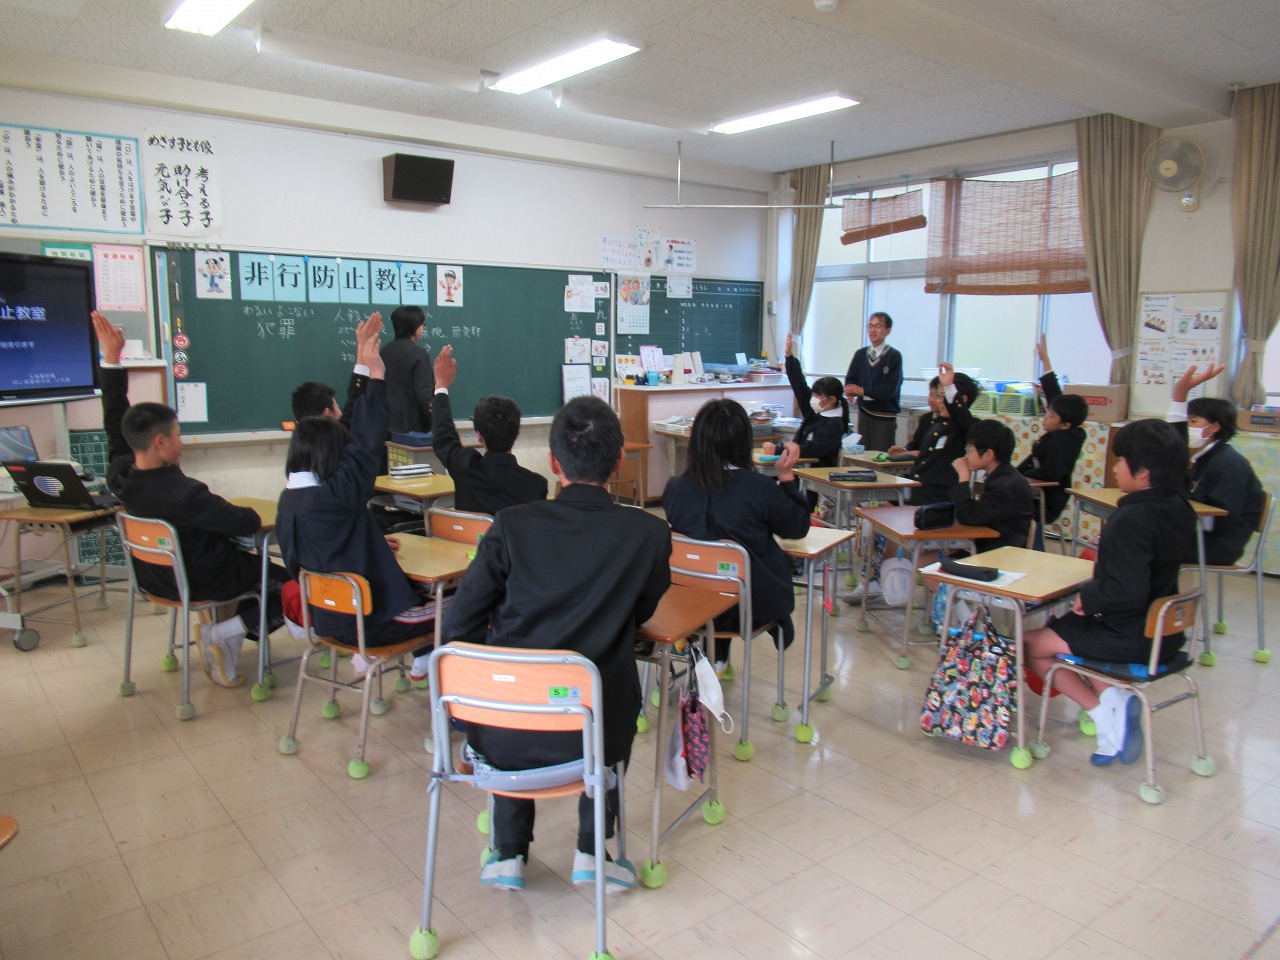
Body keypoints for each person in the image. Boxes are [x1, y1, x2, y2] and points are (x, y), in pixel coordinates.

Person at [442, 396, 671, 893]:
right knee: (612, 684)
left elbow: (458, 624)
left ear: (552, 463)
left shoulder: (510, 525)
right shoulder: (649, 534)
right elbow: (643, 611)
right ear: (619, 461)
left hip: (503, 730)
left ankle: (508, 853)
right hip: (592, 735)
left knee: (513, 681)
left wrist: (469, 709)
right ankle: (592, 850)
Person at [92, 311, 286, 688]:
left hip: (155, 578)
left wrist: (111, 360)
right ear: (160, 442)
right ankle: (224, 633)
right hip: (200, 579)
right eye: (178, 435)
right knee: (292, 587)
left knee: (237, 560)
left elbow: (115, 422)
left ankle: (225, 642)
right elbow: (245, 522)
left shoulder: (121, 475)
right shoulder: (186, 494)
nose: (182, 442)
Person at [1023, 419, 1196, 766]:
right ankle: (1114, 702)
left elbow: (1127, 590)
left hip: (1130, 634)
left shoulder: (1131, 518)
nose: (1115, 468)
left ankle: (1102, 713)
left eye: (1120, 460)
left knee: (1029, 644)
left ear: (1143, 472)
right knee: (1071, 630)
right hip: (1165, 634)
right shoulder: (1180, 506)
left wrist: (1089, 597)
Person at [276, 313, 437, 679]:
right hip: (374, 622)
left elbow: (348, 426)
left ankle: (415, 658)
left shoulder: (291, 501)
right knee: (462, 603)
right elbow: (364, 443)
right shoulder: (336, 496)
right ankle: (439, 685)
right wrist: (376, 376)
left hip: (328, 618)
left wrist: (369, 543)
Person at [663, 399, 811, 677]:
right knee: (736, 568)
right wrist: (786, 476)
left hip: (690, 602)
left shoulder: (675, 488)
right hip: (747, 607)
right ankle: (719, 658)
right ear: (743, 441)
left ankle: (715, 657)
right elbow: (796, 528)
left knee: (714, 563)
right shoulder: (760, 488)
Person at [430, 344, 548, 514]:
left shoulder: (465, 468)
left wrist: (441, 386)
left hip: (470, 533)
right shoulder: (536, 486)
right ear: (517, 432)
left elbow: (443, 436)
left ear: (480, 437)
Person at [1168, 363, 1264, 565]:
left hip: (1218, 545)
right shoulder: (1204, 458)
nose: (1188, 427)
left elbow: (1222, 519)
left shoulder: (1228, 463)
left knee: (1144, 543)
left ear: (1215, 427)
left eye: (1193, 422)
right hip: (1199, 536)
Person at [1018, 335, 1089, 529]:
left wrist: (1019, 477)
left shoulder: (1061, 442)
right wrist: (1046, 361)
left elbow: (1050, 472)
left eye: (1050, 416)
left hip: (1046, 501)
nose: (1045, 418)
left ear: (1064, 424)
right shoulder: (1067, 429)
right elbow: (1055, 397)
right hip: (1035, 493)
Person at [890, 362, 980, 505]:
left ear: (962, 400)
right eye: (938, 396)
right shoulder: (936, 423)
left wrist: (950, 388)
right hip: (920, 490)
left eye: (944, 396)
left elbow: (961, 417)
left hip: (939, 496)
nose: (939, 402)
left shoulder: (968, 426)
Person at [766, 330, 848, 470]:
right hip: (798, 468)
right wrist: (789, 357)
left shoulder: (834, 425)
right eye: (813, 395)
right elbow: (800, 386)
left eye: (818, 396)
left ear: (832, 400)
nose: (813, 399)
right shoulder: (815, 412)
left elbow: (813, 449)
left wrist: (778, 450)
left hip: (818, 473)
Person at [949, 419, 1034, 551]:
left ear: (989, 454)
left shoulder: (1005, 486)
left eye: (969, 450)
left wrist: (963, 476)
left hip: (999, 552)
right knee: (934, 552)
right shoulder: (998, 476)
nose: (966, 456)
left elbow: (968, 517)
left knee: (931, 556)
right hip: (984, 544)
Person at [843, 311, 903, 452]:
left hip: (884, 416)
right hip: (864, 412)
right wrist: (849, 390)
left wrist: (861, 390)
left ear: (888, 330)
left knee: (880, 456)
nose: (872, 330)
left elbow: (889, 389)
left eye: (878, 326)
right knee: (864, 455)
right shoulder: (860, 354)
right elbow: (851, 377)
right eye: (870, 326)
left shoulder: (894, 356)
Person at [380, 305, 434, 434]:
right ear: (415, 326)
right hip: (411, 427)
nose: (423, 327)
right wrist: (438, 421)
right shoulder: (419, 354)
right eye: (422, 324)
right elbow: (424, 395)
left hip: (384, 423)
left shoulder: (384, 352)